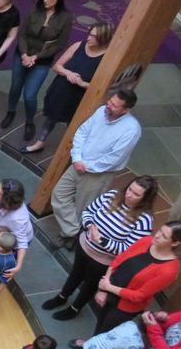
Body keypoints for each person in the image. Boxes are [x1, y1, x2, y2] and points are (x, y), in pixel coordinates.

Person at [42, 175, 157, 320]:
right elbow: (88, 212)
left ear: (145, 199)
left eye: (136, 194)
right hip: (84, 246)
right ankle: (62, 296)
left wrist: (102, 241)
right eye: (130, 189)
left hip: (103, 261)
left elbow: (128, 250)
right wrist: (90, 225)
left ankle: (74, 308)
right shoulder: (111, 196)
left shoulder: (144, 220)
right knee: (75, 273)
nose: (129, 194)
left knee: (90, 285)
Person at [50, 89, 143, 242]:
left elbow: (114, 158)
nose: (108, 105)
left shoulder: (131, 130)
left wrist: (86, 165)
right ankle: (73, 232)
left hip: (99, 173)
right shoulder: (101, 111)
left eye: (114, 105)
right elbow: (82, 132)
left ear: (125, 110)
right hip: (78, 163)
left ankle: (72, 238)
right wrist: (77, 158)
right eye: (110, 101)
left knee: (83, 206)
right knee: (59, 194)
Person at [80, 223, 181, 342]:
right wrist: (104, 289)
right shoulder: (147, 240)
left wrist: (107, 287)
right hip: (110, 291)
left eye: (164, 236)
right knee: (101, 322)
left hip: (125, 307)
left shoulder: (169, 270)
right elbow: (119, 259)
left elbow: (139, 295)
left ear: (175, 243)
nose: (157, 235)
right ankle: (90, 344)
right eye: (160, 230)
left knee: (107, 332)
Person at [24, 23, 115, 154]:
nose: (89, 38)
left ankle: (70, 151)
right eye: (89, 34)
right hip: (62, 90)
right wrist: (69, 73)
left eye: (94, 36)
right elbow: (57, 66)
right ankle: (40, 143)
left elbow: (103, 87)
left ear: (103, 38)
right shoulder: (79, 45)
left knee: (74, 126)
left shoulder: (106, 57)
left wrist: (82, 83)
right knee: (51, 118)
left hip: (81, 97)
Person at [1, 0, 75, 139]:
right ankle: (10, 111)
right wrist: (25, 55)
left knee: (30, 94)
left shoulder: (65, 18)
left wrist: (36, 57)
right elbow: (22, 34)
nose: (45, 0)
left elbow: (60, 44)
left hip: (42, 61)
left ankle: (29, 121)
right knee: (15, 87)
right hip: (22, 54)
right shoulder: (34, 11)